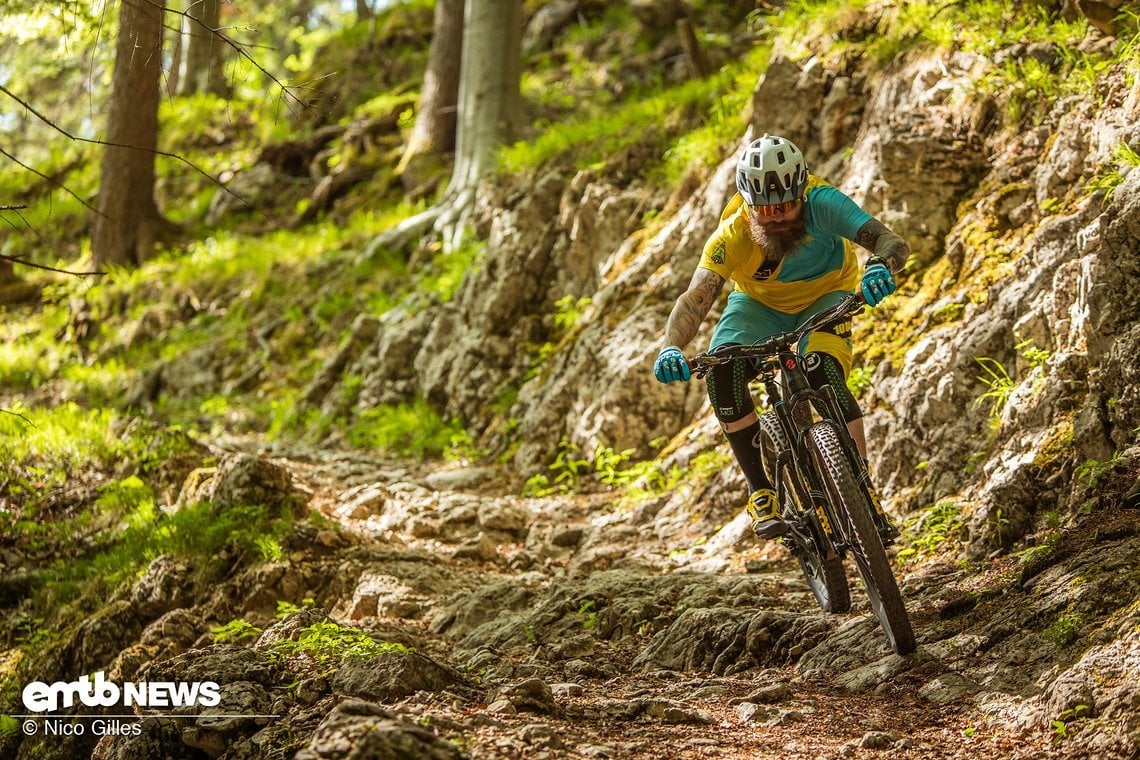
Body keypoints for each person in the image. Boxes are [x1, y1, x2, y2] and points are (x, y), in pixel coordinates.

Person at [653, 133, 909, 539]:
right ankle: (761, 492)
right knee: (723, 374)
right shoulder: (732, 235)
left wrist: (882, 265)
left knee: (823, 374)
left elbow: (888, 240)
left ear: (802, 193)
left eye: (787, 206)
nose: (777, 217)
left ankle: (862, 488)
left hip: (827, 295)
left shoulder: (823, 201)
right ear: (748, 203)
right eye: (765, 209)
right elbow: (696, 299)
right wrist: (671, 346)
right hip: (758, 307)